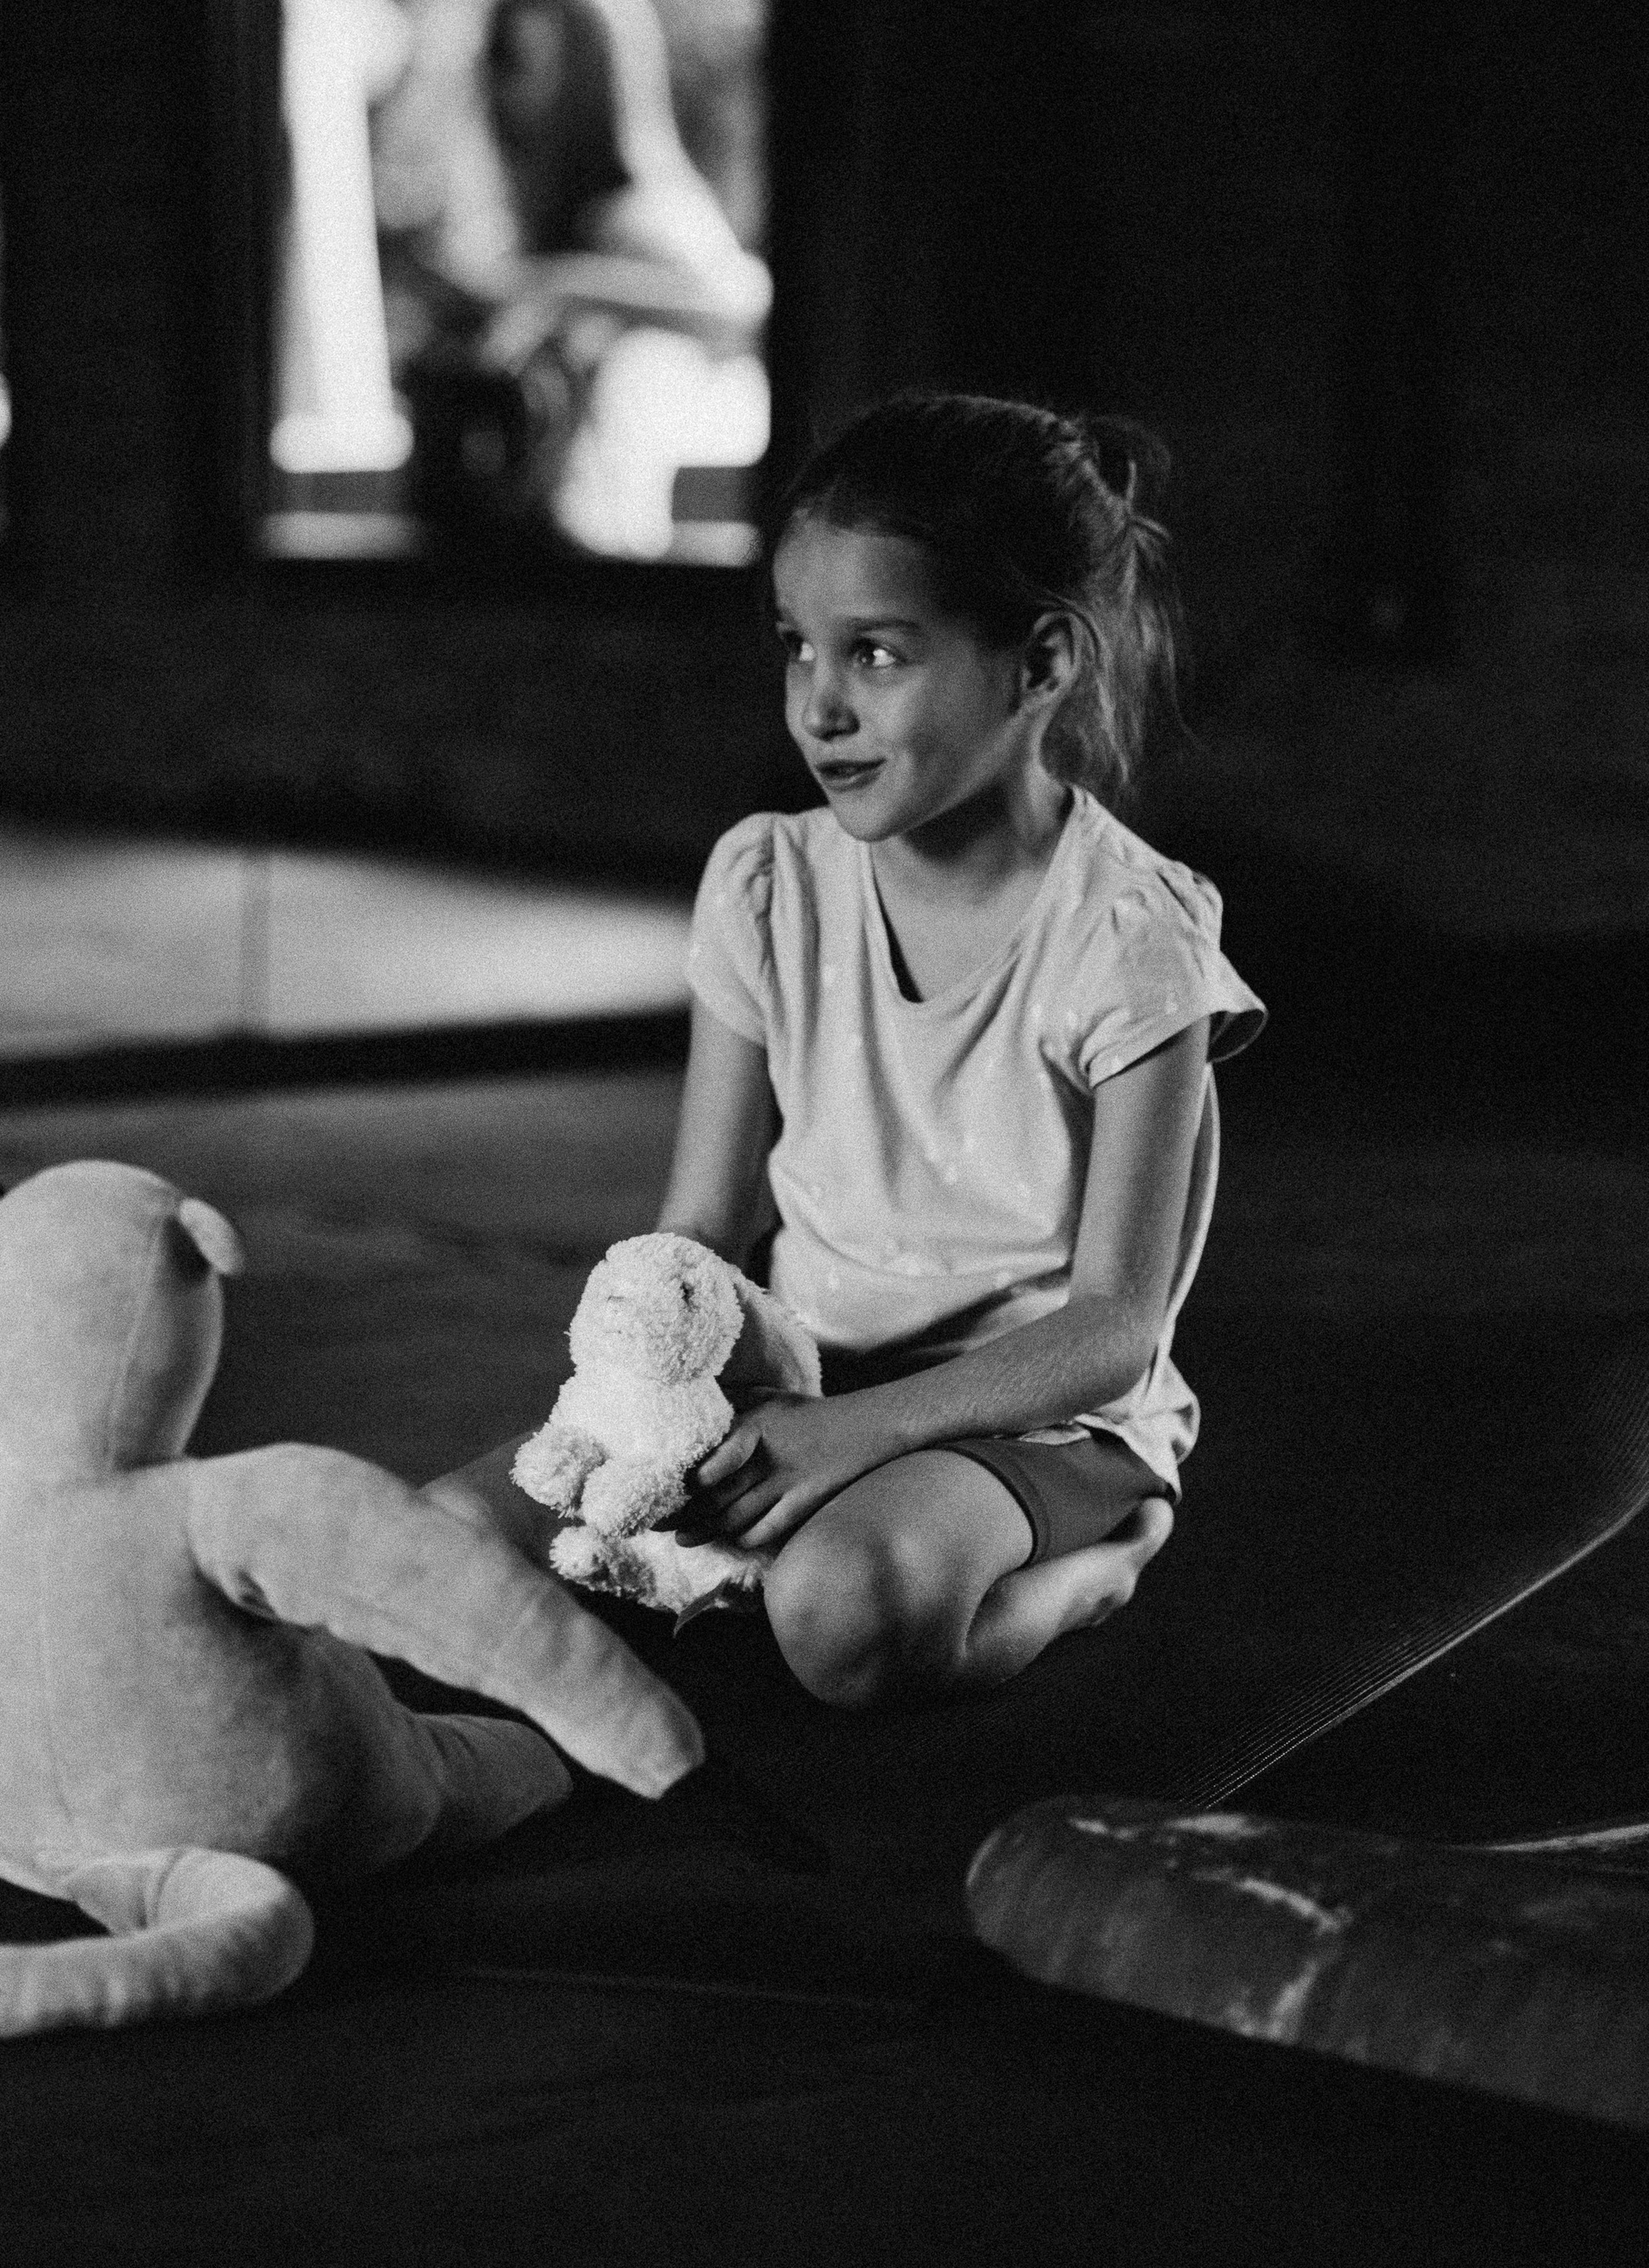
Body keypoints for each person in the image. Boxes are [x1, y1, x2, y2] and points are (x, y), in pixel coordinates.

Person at [428, 390, 1264, 1705]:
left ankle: (1100, 1562)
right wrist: (642, 1409)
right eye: (796, 647)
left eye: (876, 654)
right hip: (805, 1377)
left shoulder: (1129, 936)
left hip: (1039, 1416)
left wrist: (853, 1436)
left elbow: (1113, 1330)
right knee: (450, 1548)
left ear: (1043, 662)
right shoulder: (767, 881)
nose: (818, 706)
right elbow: (702, 1224)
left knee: (836, 1614)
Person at [397, 0, 770, 557]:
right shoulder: (531, 221)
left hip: (616, 549)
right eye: (497, 62)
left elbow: (740, 309)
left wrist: (563, 288)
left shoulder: (641, 213)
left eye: (521, 66)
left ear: (591, 81)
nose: (507, 93)